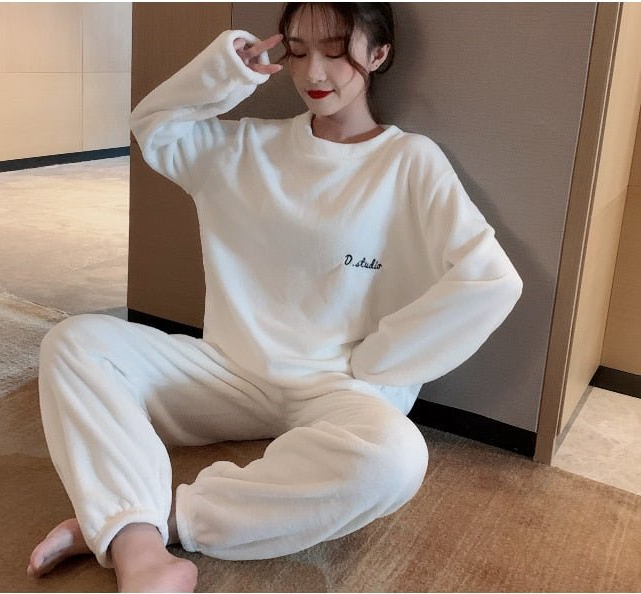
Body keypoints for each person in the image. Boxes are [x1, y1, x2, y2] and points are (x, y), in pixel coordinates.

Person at [27, 3, 523, 592]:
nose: (314, 70)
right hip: (229, 372)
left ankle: (156, 518)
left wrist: (383, 358)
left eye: (335, 49)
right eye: (298, 49)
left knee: (396, 458)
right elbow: (154, 126)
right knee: (75, 343)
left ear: (378, 54)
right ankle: (138, 547)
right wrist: (227, 69)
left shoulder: (408, 161)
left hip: (337, 388)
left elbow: (491, 279)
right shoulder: (246, 148)